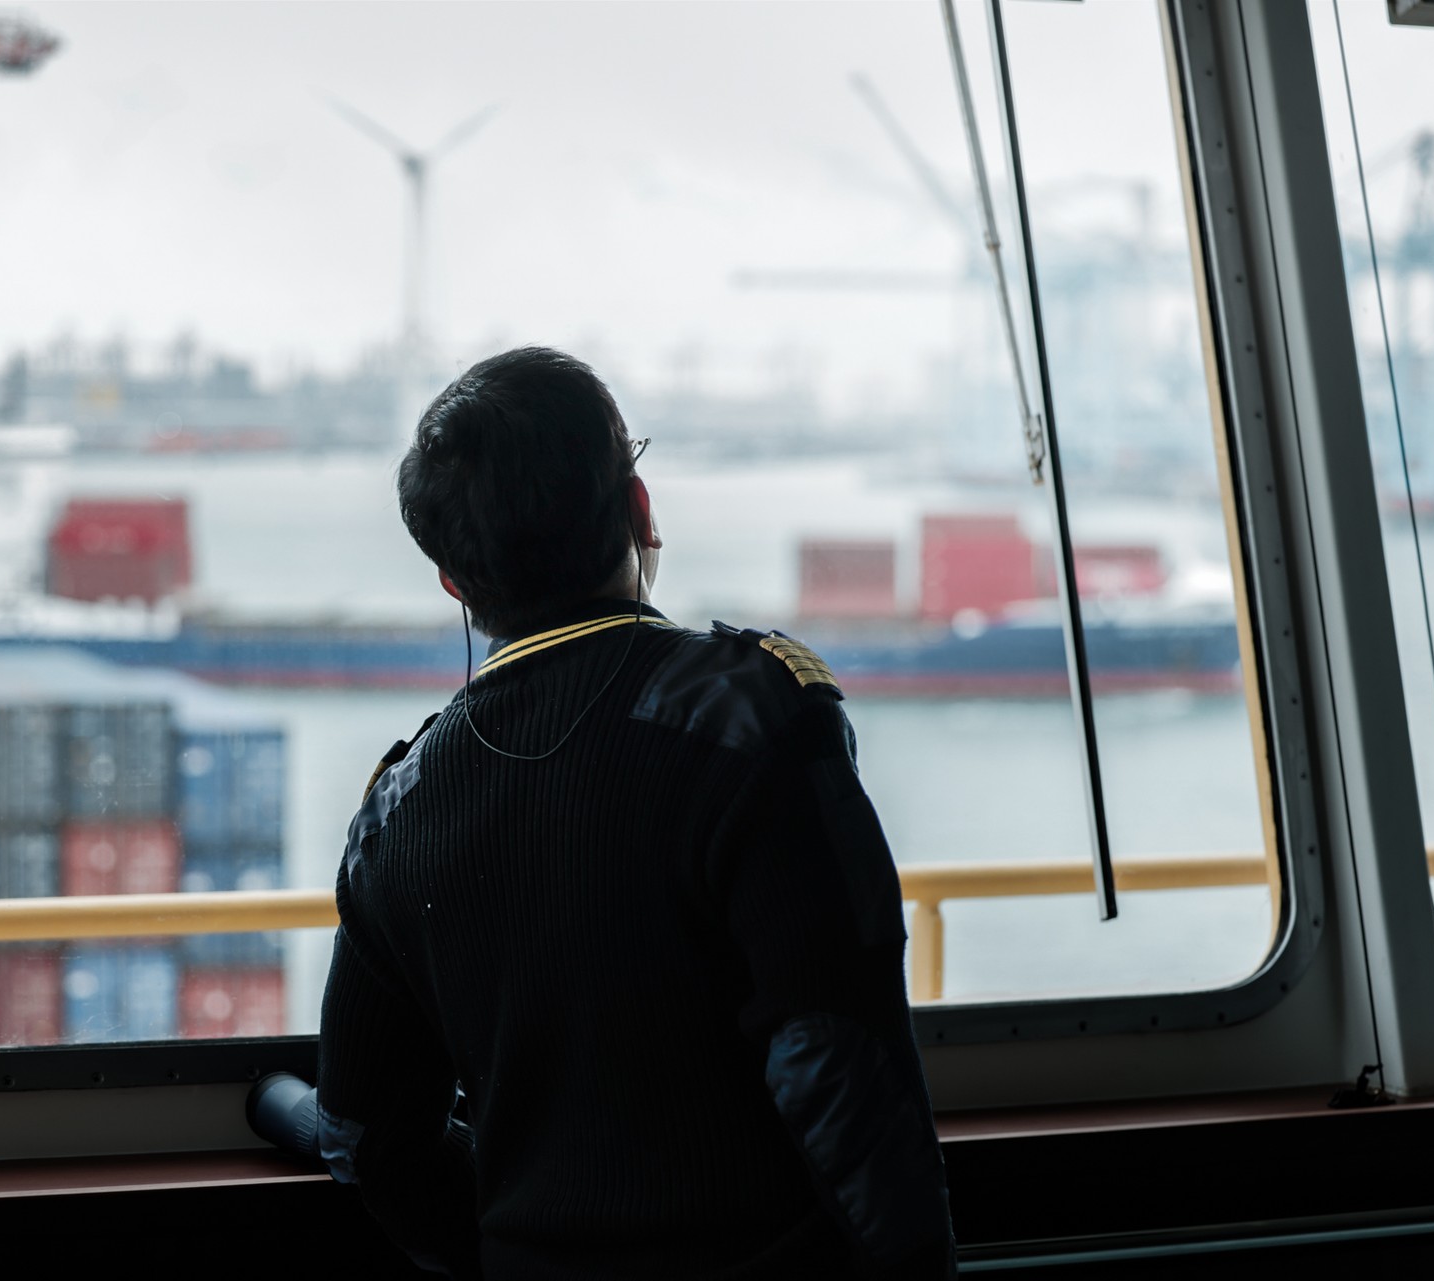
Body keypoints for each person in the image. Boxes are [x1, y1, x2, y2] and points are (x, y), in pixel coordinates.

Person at [316, 347, 955, 1279]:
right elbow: (842, 1068)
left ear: (454, 582)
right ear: (641, 509)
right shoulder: (753, 718)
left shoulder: (395, 815)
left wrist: (515, 1245)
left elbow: (362, 1136)